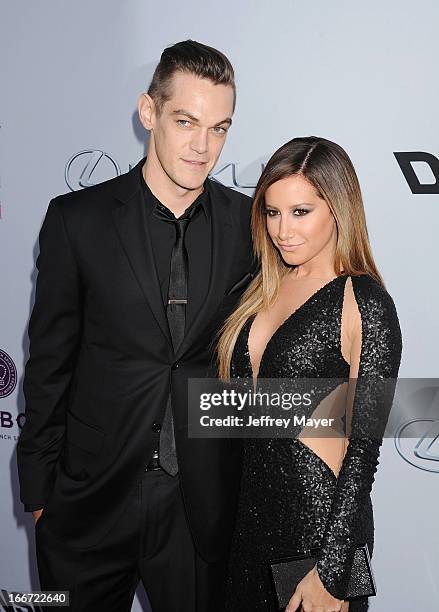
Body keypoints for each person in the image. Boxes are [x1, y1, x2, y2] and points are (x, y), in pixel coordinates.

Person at [17, 39, 258, 612]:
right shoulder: (76, 220)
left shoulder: (246, 226)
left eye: (220, 128)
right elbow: (49, 362)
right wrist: (40, 492)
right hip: (88, 501)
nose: (203, 147)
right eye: (186, 121)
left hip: (199, 506)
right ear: (148, 112)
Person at [217, 136, 402, 612]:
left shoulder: (363, 302)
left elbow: (363, 450)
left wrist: (333, 570)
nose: (283, 230)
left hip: (318, 542)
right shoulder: (256, 289)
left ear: (337, 209)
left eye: (300, 212)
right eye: (272, 212)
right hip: (248, 534)